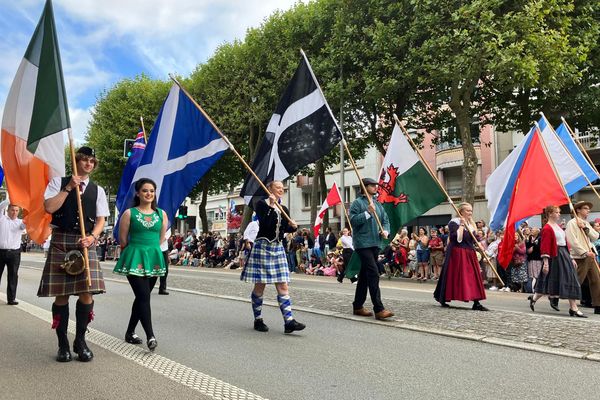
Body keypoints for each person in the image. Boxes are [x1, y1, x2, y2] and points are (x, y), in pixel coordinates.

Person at [38, 146, 109, 362]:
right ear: (76, 161)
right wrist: (68, 187)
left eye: (92, 161)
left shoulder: (98, 190)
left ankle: (80, 340)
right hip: (62, 241)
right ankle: (62, 344)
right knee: (62, 296)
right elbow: (49, 207)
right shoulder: (58, 183)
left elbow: (101, 219)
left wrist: (93, 237)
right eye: (84, 159)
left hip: (84, 243)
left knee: (87, 294)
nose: (88, 163)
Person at [240, 181, 305, 334]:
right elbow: (266, 224)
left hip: (278, 248)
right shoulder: (262, 205)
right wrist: (270, 205)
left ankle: (289, 322)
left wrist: (293, 226)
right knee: (260, 286)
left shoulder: (284, 208)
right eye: (277, 187)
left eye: (282, 188)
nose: (281, 189)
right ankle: (258, 319)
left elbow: (284, 228)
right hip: (263, 247)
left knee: (283, 285)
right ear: (269, 189)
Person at [113, 178, 168, 350]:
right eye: (145, 190)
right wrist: (138, 249)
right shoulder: (129, 213)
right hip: (134, 257)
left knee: (141, 298)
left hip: (153, 258)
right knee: (144, 296)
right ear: (138, 193)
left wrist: (151, 250)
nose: (149, 194)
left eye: (152, 190)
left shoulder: (161, 214)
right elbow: (123, 239)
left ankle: (130, 332)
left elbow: (161, 238)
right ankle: (150, 335)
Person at [528, 205, 586, 317]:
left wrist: (571, 258)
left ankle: (573, 308)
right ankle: (534, 298)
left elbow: (565, 243)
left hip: (563, 254)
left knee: (570, 279)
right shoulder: (547, 228)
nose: (559, 214)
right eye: (557, 212)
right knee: (550, 281)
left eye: (559, 212)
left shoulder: (558, 227)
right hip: (554, 257)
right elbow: (545, 246)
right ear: (550, 214)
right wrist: (545, 263)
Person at [349, 177, 394, 320]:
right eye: (373, 185)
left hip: (376, 243)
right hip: (363, 244)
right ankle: (379, 309)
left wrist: (385, 230)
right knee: (373, 273)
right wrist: (367, 213)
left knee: (364, 277)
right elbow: (353, 221)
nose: (376, 187)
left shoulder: (378, 204)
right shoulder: (357, 203)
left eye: (376, 185)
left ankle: (357, 306)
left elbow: (385, 220)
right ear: (365, 187)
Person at [433, 202, 488, 311]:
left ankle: (476, 302)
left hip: (469, 253)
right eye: (468, 210)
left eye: (471, 211)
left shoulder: (472, 225)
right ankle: (443, 298)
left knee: (472, 277)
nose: (470, 213)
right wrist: (462, 225)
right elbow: (456, 238)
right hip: (456, 252)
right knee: (452, 276)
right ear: (461, 211)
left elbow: (475, 238)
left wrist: (480, 244)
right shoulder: (454, 222)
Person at [565, 201, 600, 314]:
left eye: (588, 209)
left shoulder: (585, 223)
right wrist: (584, 252)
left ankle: (598, 305)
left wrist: (585, 227)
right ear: (578, 210)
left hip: (591, 256)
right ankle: (572, 304)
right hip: (581, 257)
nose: (588, 210)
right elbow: (572, 240)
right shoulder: (572, 223)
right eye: (585, 208)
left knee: (596, 280)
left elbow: (595, 236)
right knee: (578, 280)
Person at [0, 200, 26, 305]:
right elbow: (0, 206)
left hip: (14, 253)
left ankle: (11, 299)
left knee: (13, 276)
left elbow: (29, 222)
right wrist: (12, 198)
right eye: (12, 210)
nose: (14, 212)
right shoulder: (2, 219)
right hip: (1, 252)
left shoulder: (20, 223)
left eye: (16, 210)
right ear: (8, 210)